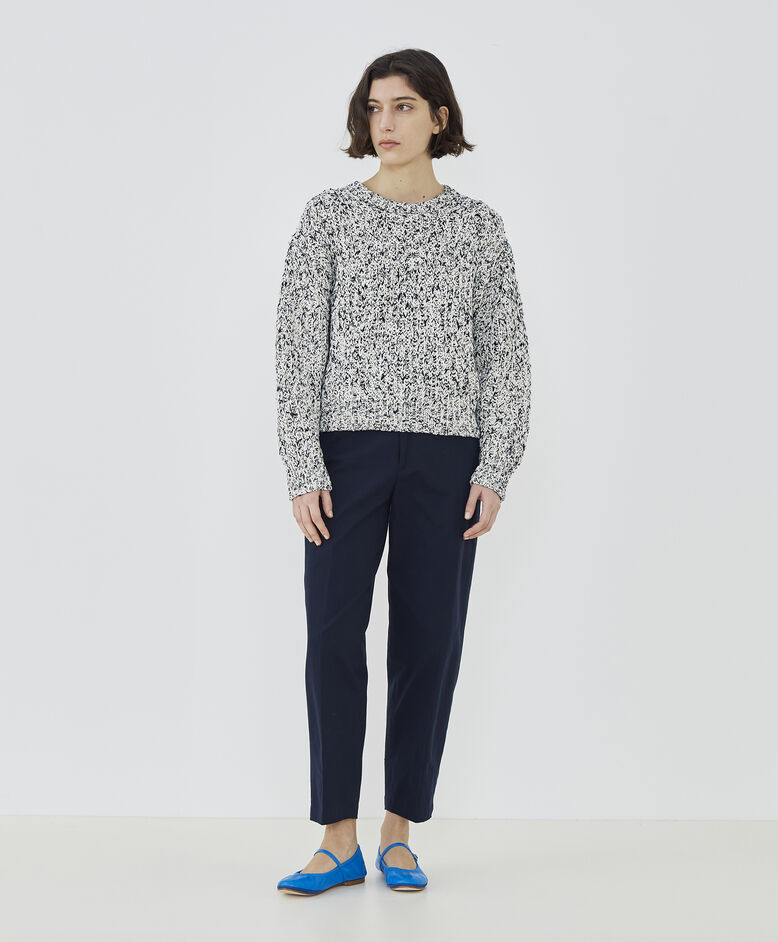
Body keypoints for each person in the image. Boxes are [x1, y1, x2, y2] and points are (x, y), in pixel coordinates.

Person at [274, 48, 531, 896]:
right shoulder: (328, 217)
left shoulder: (477, 228)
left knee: (428, 640)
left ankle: (398, 833)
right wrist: (302, 461)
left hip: (446, 456)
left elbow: (505, 354)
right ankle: (335, 838)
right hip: (344, 453)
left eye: (403, 106)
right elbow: (296, 346)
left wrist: (496, 464)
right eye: (374, 107)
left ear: (438, 118)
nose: (384, 123)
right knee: (331, 637)